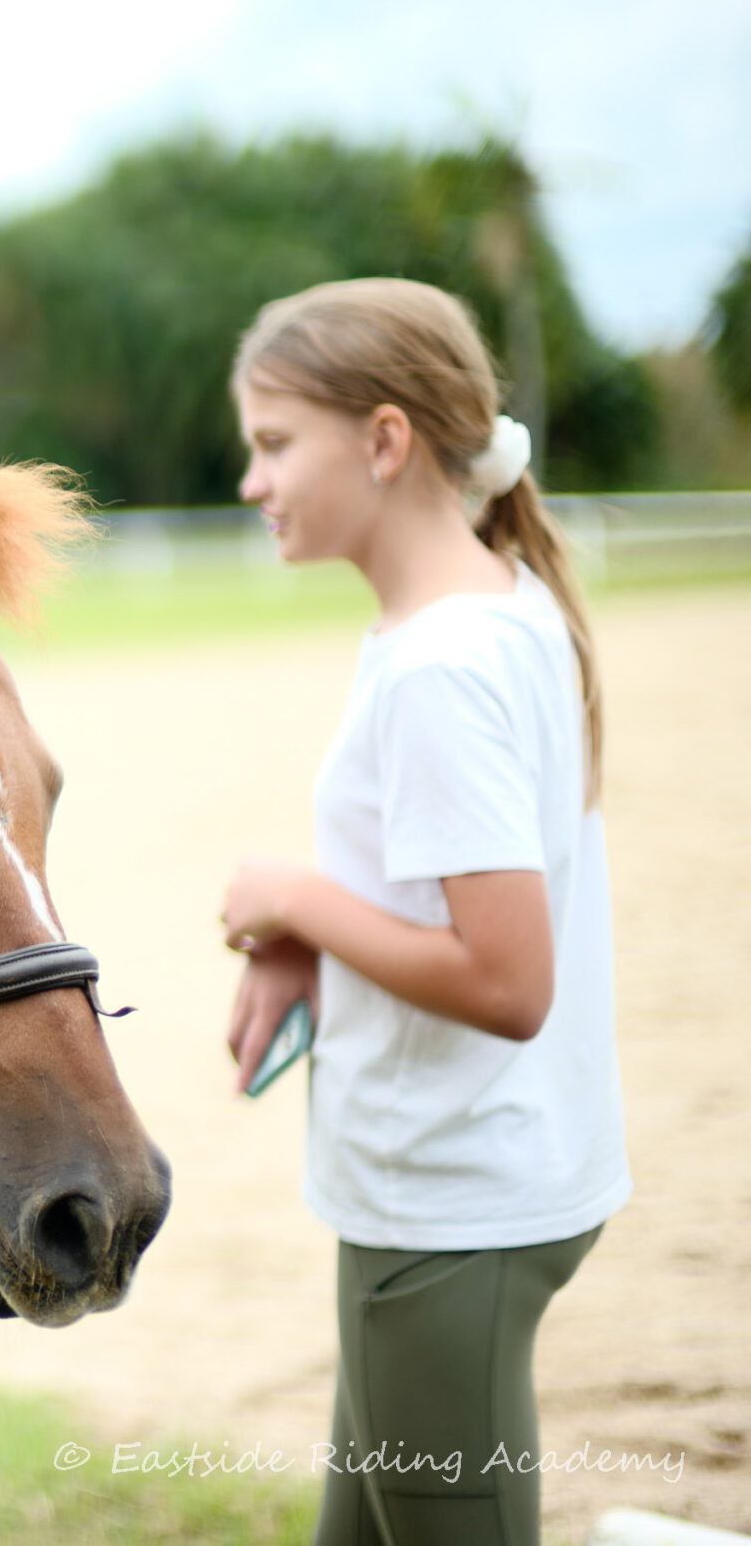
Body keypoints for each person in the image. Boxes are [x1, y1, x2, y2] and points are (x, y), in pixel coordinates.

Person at [219, 279, 630, 1546]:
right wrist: (311, 931)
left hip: (456, 1203)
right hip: (445, 1191)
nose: (252, 482)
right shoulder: (480, 614)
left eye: (275, 443)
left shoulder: (442, 666)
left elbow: (507, 984)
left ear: (385, 441)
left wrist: (292, 897)